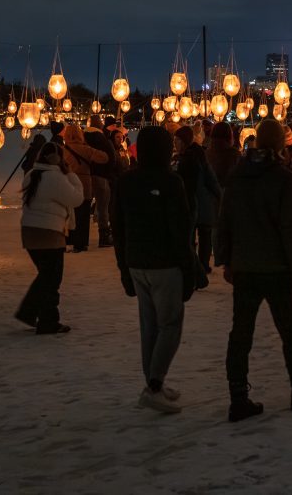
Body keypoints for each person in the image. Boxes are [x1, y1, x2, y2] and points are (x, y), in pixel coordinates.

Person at [216, 119, 292, 422]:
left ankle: (238, 397)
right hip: (277, 269)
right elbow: (290, 232)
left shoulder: (238, 175)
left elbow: (225, 221)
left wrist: (226, 260)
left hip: (245, 267)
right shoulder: (283, 179)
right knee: (291, 332)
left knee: (241, 333)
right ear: (280, 145)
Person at [113, 127, 193, 413]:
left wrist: (123, 265)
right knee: (169, 324)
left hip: (137, 261)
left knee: (149, 325)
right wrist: (189, 266)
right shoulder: (170, 182)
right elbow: (180, 228)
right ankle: (155, 385)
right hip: (164, 263)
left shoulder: (126, 181)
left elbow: (118, 225)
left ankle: (153, 381)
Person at [16, 141, 83, 335]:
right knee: (51, 279)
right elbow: (76, 198)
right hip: (50, 233)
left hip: (30, 232)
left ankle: (33, 314)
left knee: (46, 277)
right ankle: (45, 319)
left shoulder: (31, 174)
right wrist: (71, 175)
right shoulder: (55, 177)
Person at [174, 125, 221, 274]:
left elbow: (209, 179)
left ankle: (196, 265)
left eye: (177, 140)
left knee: (194, 236)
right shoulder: (199, 156)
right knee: (202, 236)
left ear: (184, 141)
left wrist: (220, 196)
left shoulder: (187, 159)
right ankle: (201, 265)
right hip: (202, 202)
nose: (175, 143)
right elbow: (211, 178)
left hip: (194, 202)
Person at [61, 123, 109, 253]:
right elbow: (104, 158)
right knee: (82, 214)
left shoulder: (62, 150)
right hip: (84, 184)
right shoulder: (86, 149)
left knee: (68, 214)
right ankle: (81, 243)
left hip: (67, 183)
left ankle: (67, 240)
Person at [84, 115, 119, 248]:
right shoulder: (102, 139)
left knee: (83, 206)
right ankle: (104, 236)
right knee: (103, 206)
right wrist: (108, 172)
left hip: (85, 175)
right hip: (101, 176)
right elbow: (111, 158)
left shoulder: (83, 137)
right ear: (99, 124)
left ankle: (79, 236)